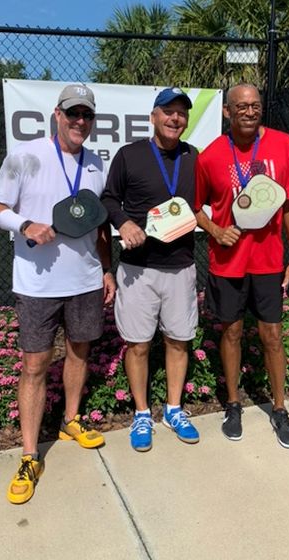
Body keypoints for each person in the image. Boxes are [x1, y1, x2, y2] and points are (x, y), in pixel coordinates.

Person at [0, 83, 116, 504]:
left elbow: (99, 225)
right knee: (36, 364)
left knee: (79, 352)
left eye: (87, 115)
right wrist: (23, 226)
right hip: (37, 284)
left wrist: (107, 269)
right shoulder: (26, 156)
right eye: (73, 113)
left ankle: (70, 420)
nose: (80, 122)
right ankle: (28, 455)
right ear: (56, 114)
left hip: (86, 280)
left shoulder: (96, 163)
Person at [194, 83, 289, 449]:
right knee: (232, 333)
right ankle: (233, 404)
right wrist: (215, 229)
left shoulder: (283, 145)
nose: (249, 111)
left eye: (255, 105)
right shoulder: (209, 156)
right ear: (227, 112)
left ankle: (280, 408)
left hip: (269, 262)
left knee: (272, 336)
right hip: (228, 264)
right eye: (241, 106)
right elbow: (194, 207)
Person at [101, 87, 200, 452]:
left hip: (181, 266)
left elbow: (204, 203)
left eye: (182, 113)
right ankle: (142, 412)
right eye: (168, 112)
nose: (176, 119)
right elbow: (109, 198)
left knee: (178, 340)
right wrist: (124, 223)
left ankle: (174, 408)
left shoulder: (194, 157)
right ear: (154, 117)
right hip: (138, 269)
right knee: (139, 345)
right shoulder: (130, 155)